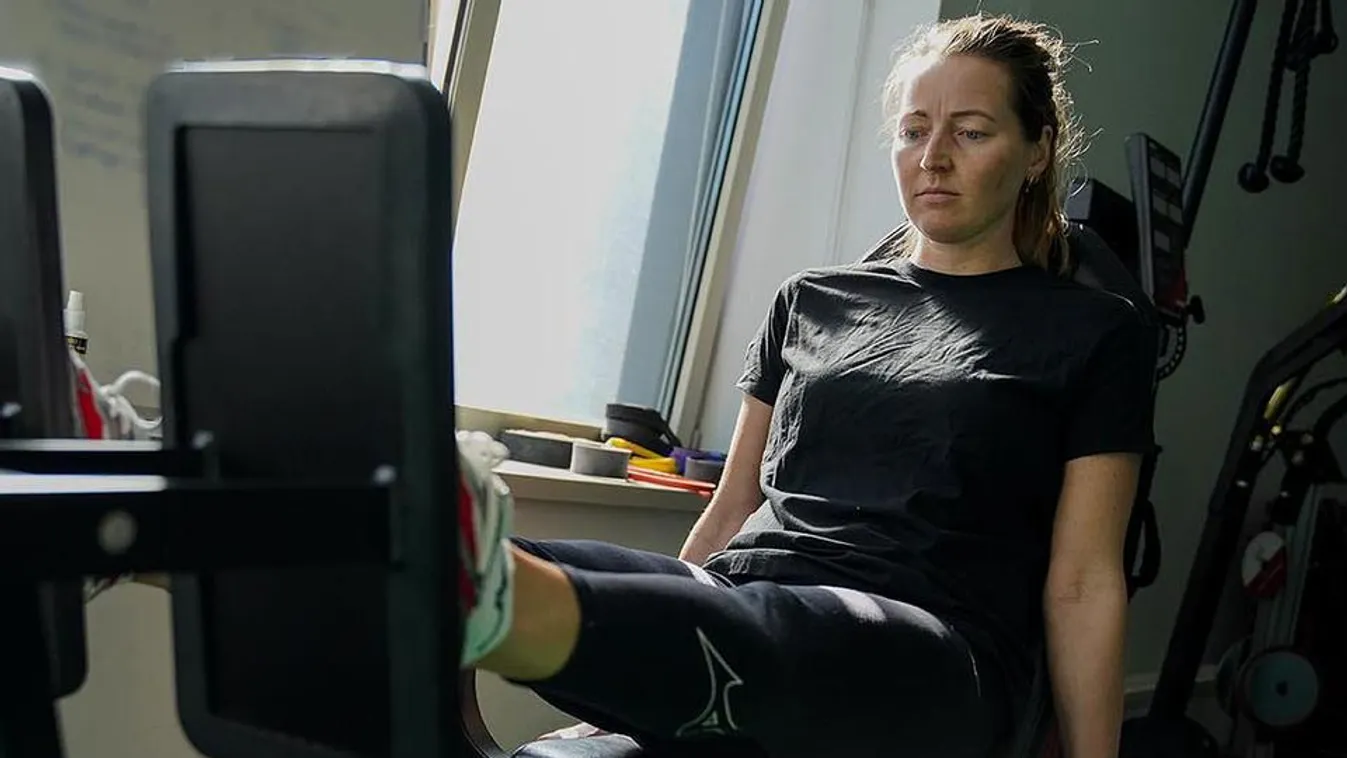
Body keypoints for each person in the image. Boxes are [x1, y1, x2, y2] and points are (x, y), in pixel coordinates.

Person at [457, 13, 1155, 758]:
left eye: (971, 132)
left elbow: (1083, 581)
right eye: (913, 130)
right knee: (534, 560)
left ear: (1037, 151)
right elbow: (733, 508)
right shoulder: (810, 300)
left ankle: (502, 604)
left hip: (931, 644)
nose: (933, 158)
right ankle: (471, 574)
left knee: (795, 635)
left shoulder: (1095, 331)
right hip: (750, 598)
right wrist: (647, 667)